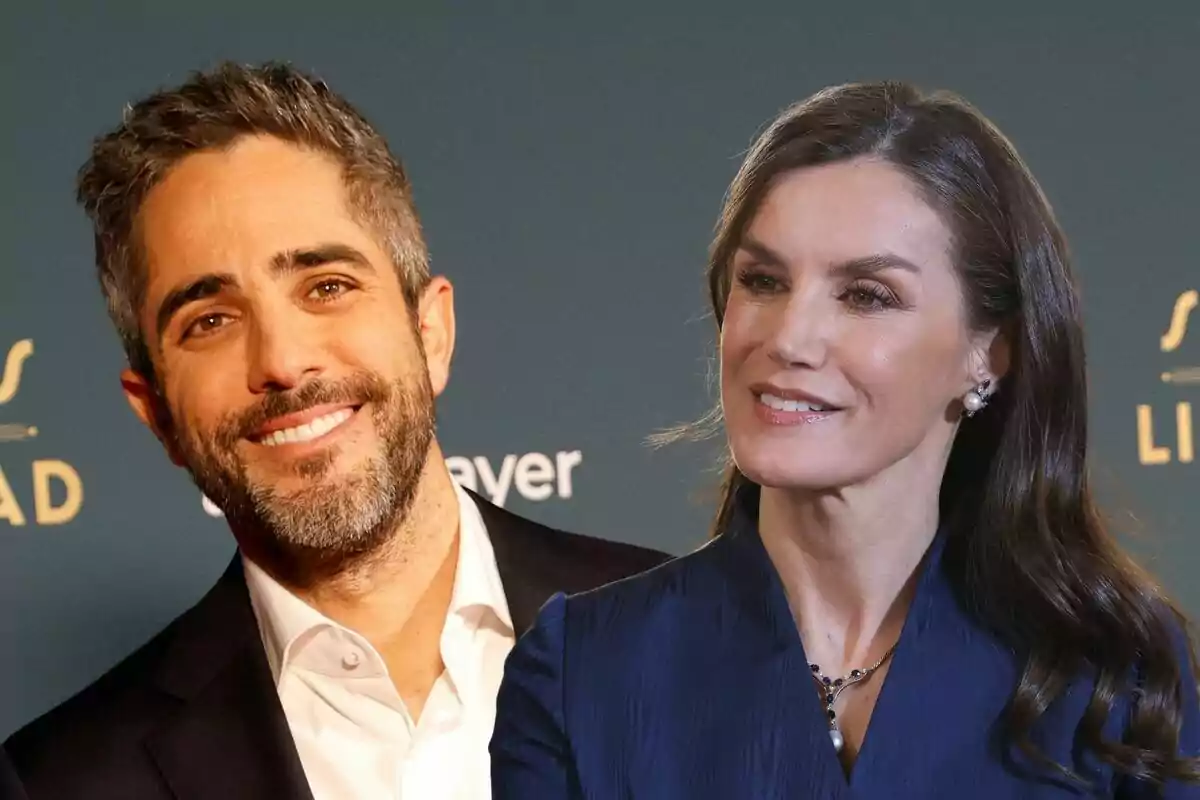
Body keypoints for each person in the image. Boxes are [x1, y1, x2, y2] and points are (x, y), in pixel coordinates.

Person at [490, 81, 1200, 798]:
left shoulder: (1113, 674)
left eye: (866, 295)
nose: (790, 338)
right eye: (763, 281)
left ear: (990, 353)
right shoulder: (582, 672)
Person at [2, 61, 669, 800]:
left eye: (327, 287)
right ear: (155, 413)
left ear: (431, 330)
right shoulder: (61, 783)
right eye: (211, 321)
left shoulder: (699, 635)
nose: (282, 361)